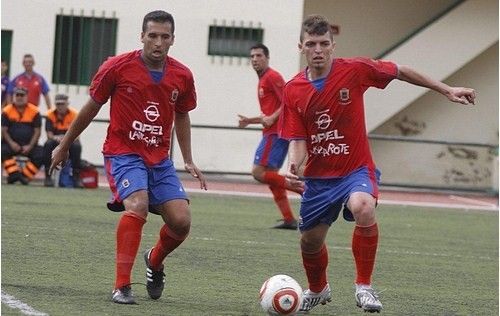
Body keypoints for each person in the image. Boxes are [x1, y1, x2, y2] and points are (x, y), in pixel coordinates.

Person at [279, 15, 476, 313]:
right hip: (319, 179)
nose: (317, 49)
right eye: (311, 44)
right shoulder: (293, 89)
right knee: (310, 241)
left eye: (323, 44)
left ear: (333, 45)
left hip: (356, 169)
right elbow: (297, 138)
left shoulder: (354, 70)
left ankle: (364, 287)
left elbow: (400, 71)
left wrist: (446, 89)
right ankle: (318, 290)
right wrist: (293, 165)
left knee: (363, 206)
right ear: (301, 47)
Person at [49, 10, 206, 305]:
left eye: (164, 37)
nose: (158, 42)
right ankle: (121, 286)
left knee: (181, 222)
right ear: (142, 36)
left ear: (172, 39)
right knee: (137, 204)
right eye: (152, 36)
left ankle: (155, 260)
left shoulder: (182, 75)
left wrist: (187, 158)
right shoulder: (117, 67)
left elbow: (182, 114)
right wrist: (65, 144)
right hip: (123, 153)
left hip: (159, 160)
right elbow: (90, 108)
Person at [238, 43, 302, 230]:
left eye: (259, 55)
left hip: (275, 133)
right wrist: (250, 120)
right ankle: (289, 219)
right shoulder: (263, 79)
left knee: (258, 173)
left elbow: (287, 102)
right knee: (271, 176)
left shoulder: (272, 77)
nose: (255, 59)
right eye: (252, 56)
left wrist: (273, 118)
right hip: (273, 131)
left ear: (267, 58)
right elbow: (269, 112)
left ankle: (304, 190)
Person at [1, 86, 44, 185]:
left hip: (29, 144)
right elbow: (4, 130)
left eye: (22, 95)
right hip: (11, 144)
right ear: (14, 96)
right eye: (17, 95)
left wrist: (30, 146)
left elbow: (37, 131)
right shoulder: (7, 111)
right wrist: (12, 144)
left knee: (41, 154)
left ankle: (24, 176)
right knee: (2, 150)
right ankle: (14, 174)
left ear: (27, 96)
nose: (19, 97)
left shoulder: (35, 111)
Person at [43, 93, 82, 188]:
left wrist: (65, 140)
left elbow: (77, 135)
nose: (60, 106)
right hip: (55, 140)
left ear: (67, 103)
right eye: (58, 104)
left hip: (70, 140)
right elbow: (49, 134)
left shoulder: (74, 115)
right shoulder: (50, 114)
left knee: (77, 146)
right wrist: (56, 138)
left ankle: (76, 176)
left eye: (62, 104)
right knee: (47, 144)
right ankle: (48, 176)